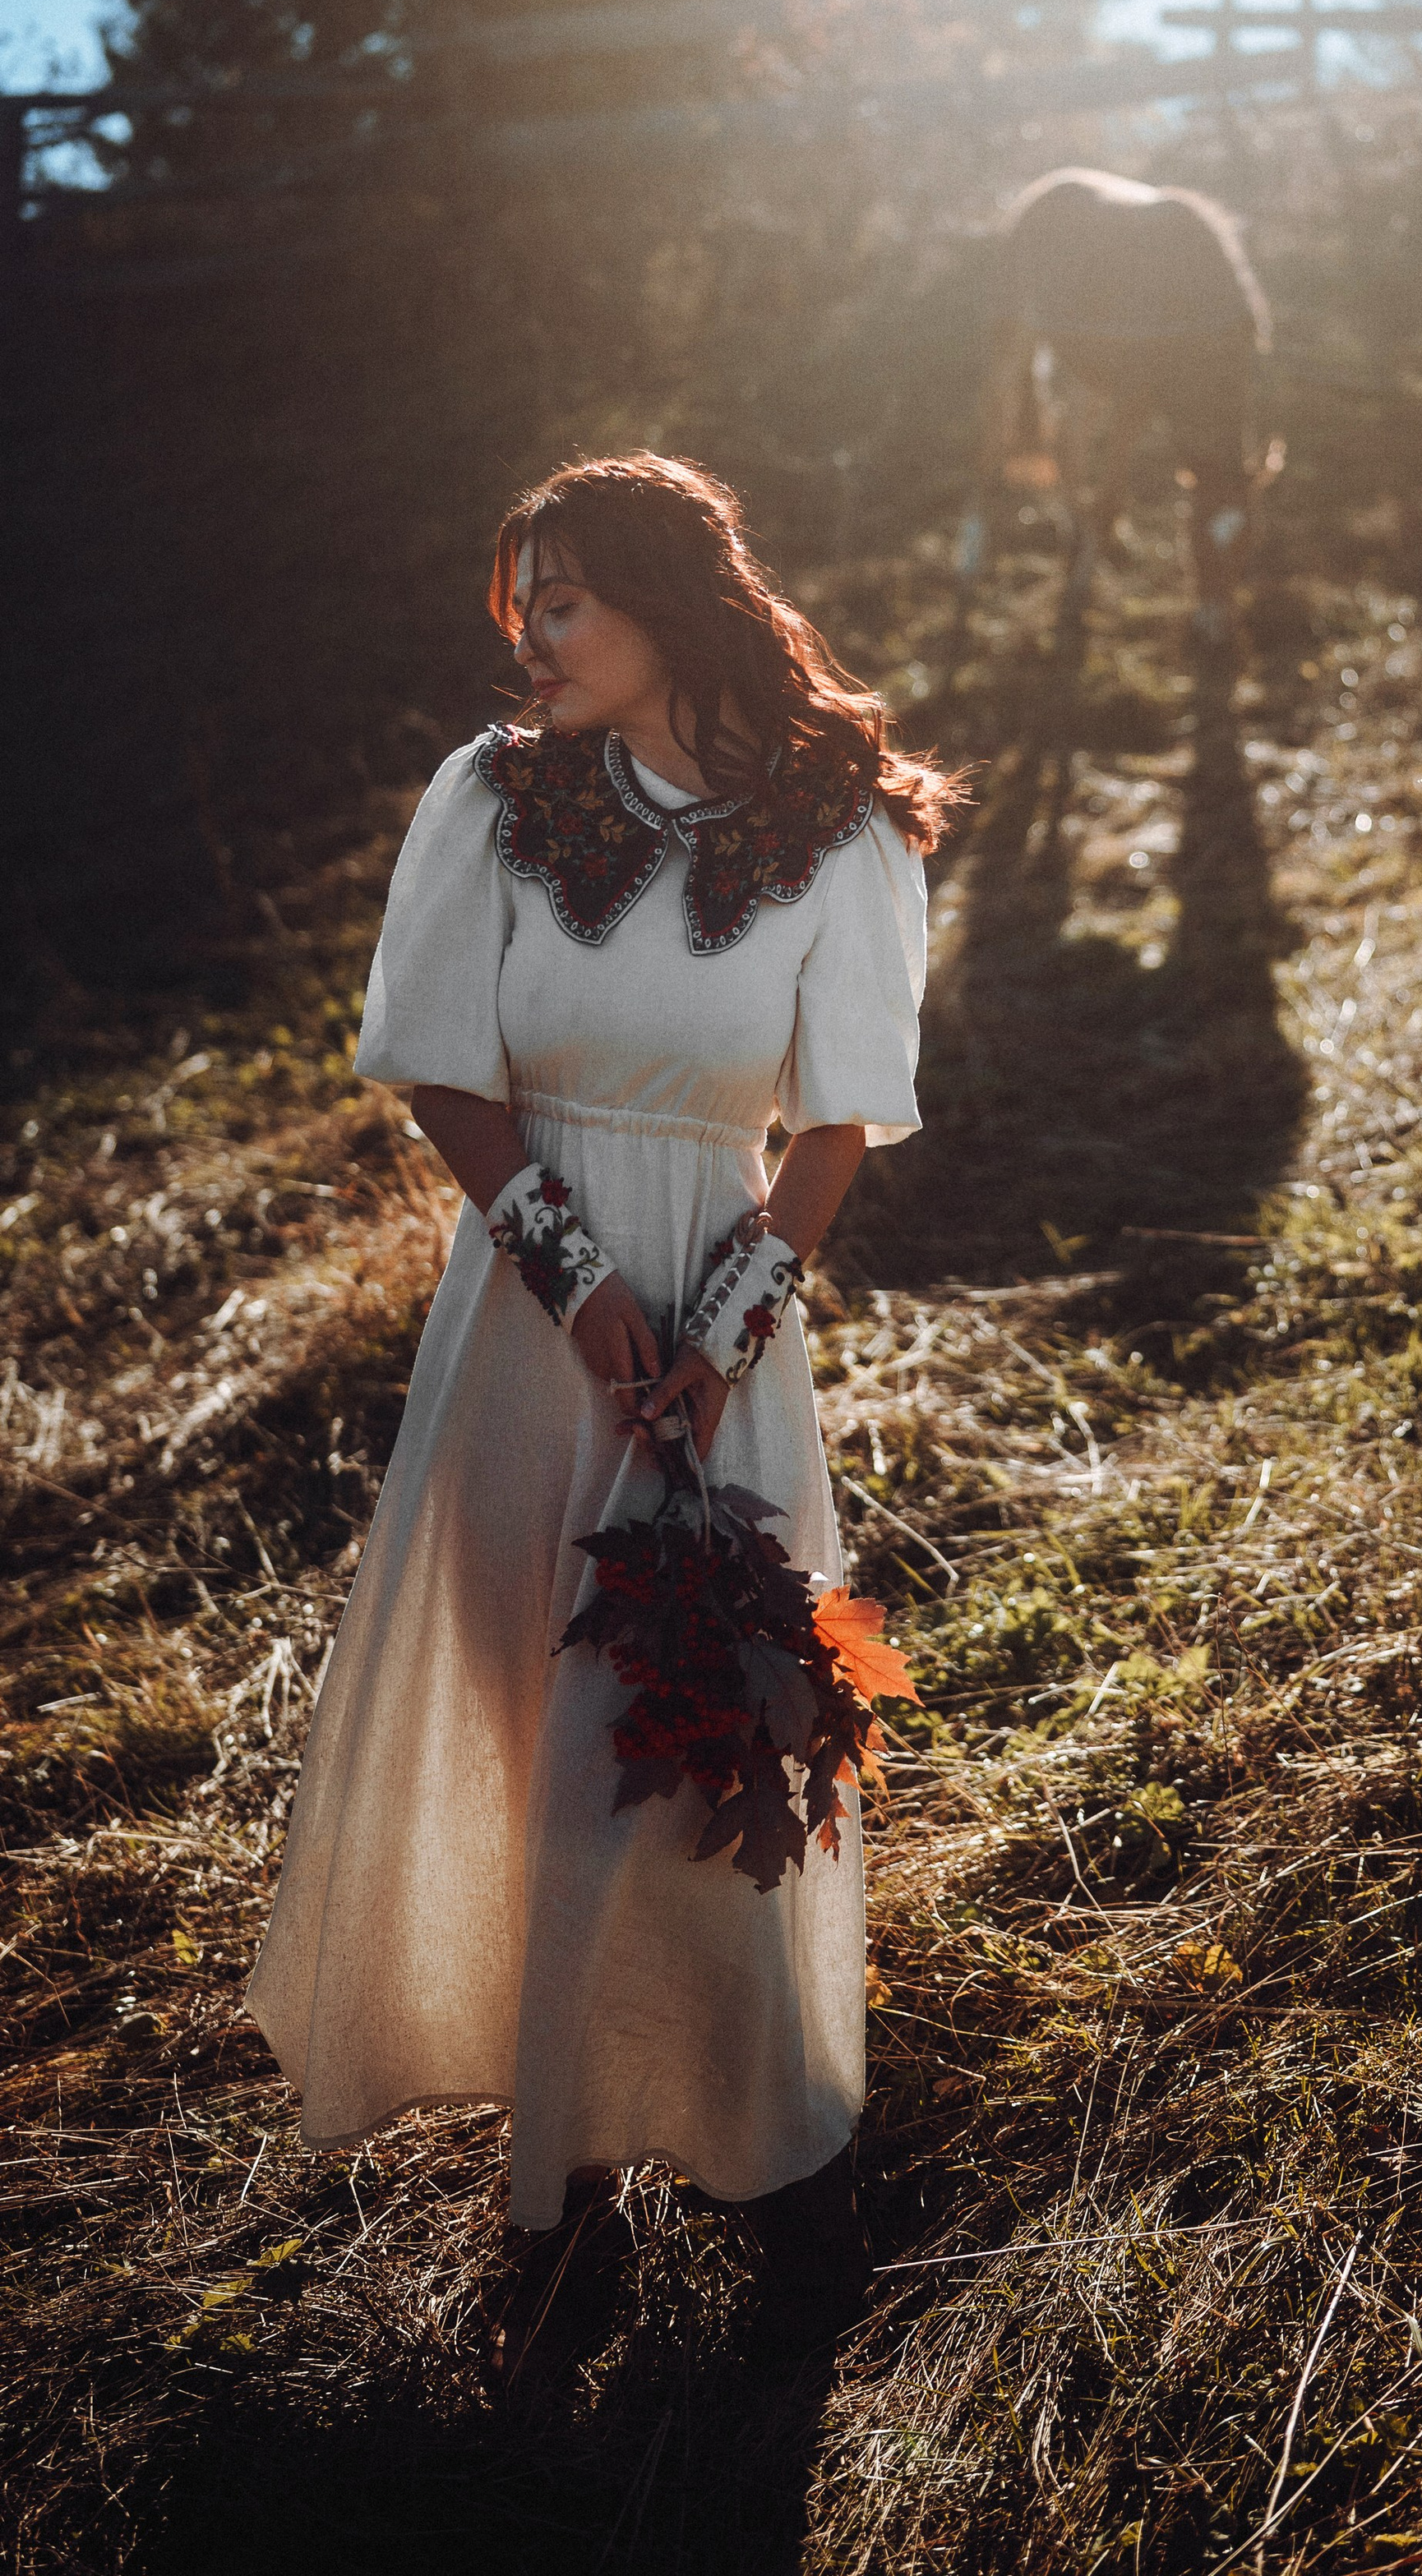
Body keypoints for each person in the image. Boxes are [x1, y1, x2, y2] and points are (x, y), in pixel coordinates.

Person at [246, 452, 960, 2365]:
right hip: (526, 1319)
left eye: (560, 600)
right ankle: (551, 2191)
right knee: (537, 1726)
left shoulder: (848, 828)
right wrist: (581, 1295)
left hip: (725, 1332)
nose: (529, 640)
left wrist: (719, 1331)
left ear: (662, 596)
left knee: (719, 1725)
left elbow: (827, 1126)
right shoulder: (493, 798)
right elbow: (442, 1074)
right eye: (519, 611)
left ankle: (767, 2141)